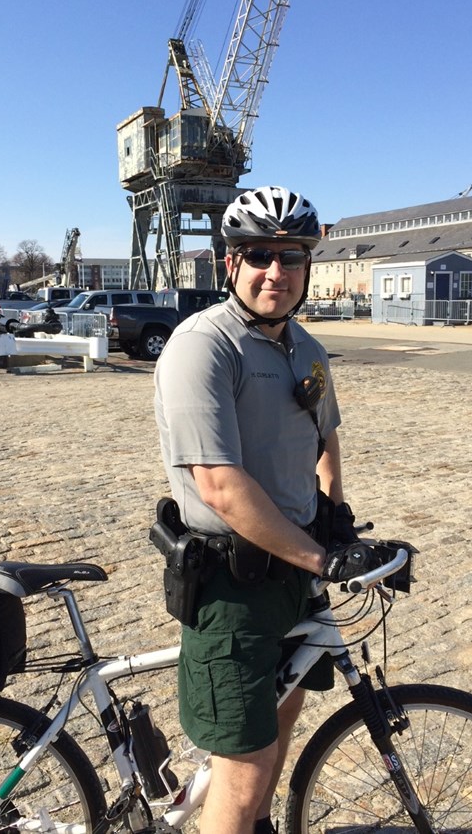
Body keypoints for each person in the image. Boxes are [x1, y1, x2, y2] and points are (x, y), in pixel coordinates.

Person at [154, 185, 364, 834]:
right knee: (245, 767)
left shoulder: (306, 347)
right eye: (259, 254)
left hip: (294, 575)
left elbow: (325, 434)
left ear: (307, 267)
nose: (276, 270)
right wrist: (324, 557)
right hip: (232, 586)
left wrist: (339, 515)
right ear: (230, 265)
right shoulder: (203, 346)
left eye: (291, 256)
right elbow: (219, 483)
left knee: (284, 715)